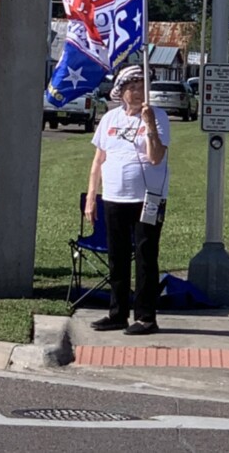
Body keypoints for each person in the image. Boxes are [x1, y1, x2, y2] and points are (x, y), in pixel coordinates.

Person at [85, 64, 171, 335]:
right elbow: (98, 160)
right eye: (131, 87)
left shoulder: (158, 117)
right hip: (114, 197)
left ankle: (146, 317)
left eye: (141, 87)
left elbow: (156, 157)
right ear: (120, 92)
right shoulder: (109, 119)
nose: (135, 93)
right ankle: (117, 313)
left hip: (147, 198)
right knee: (117, 257)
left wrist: (149, 125)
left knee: (145, 256)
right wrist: (91, 197)